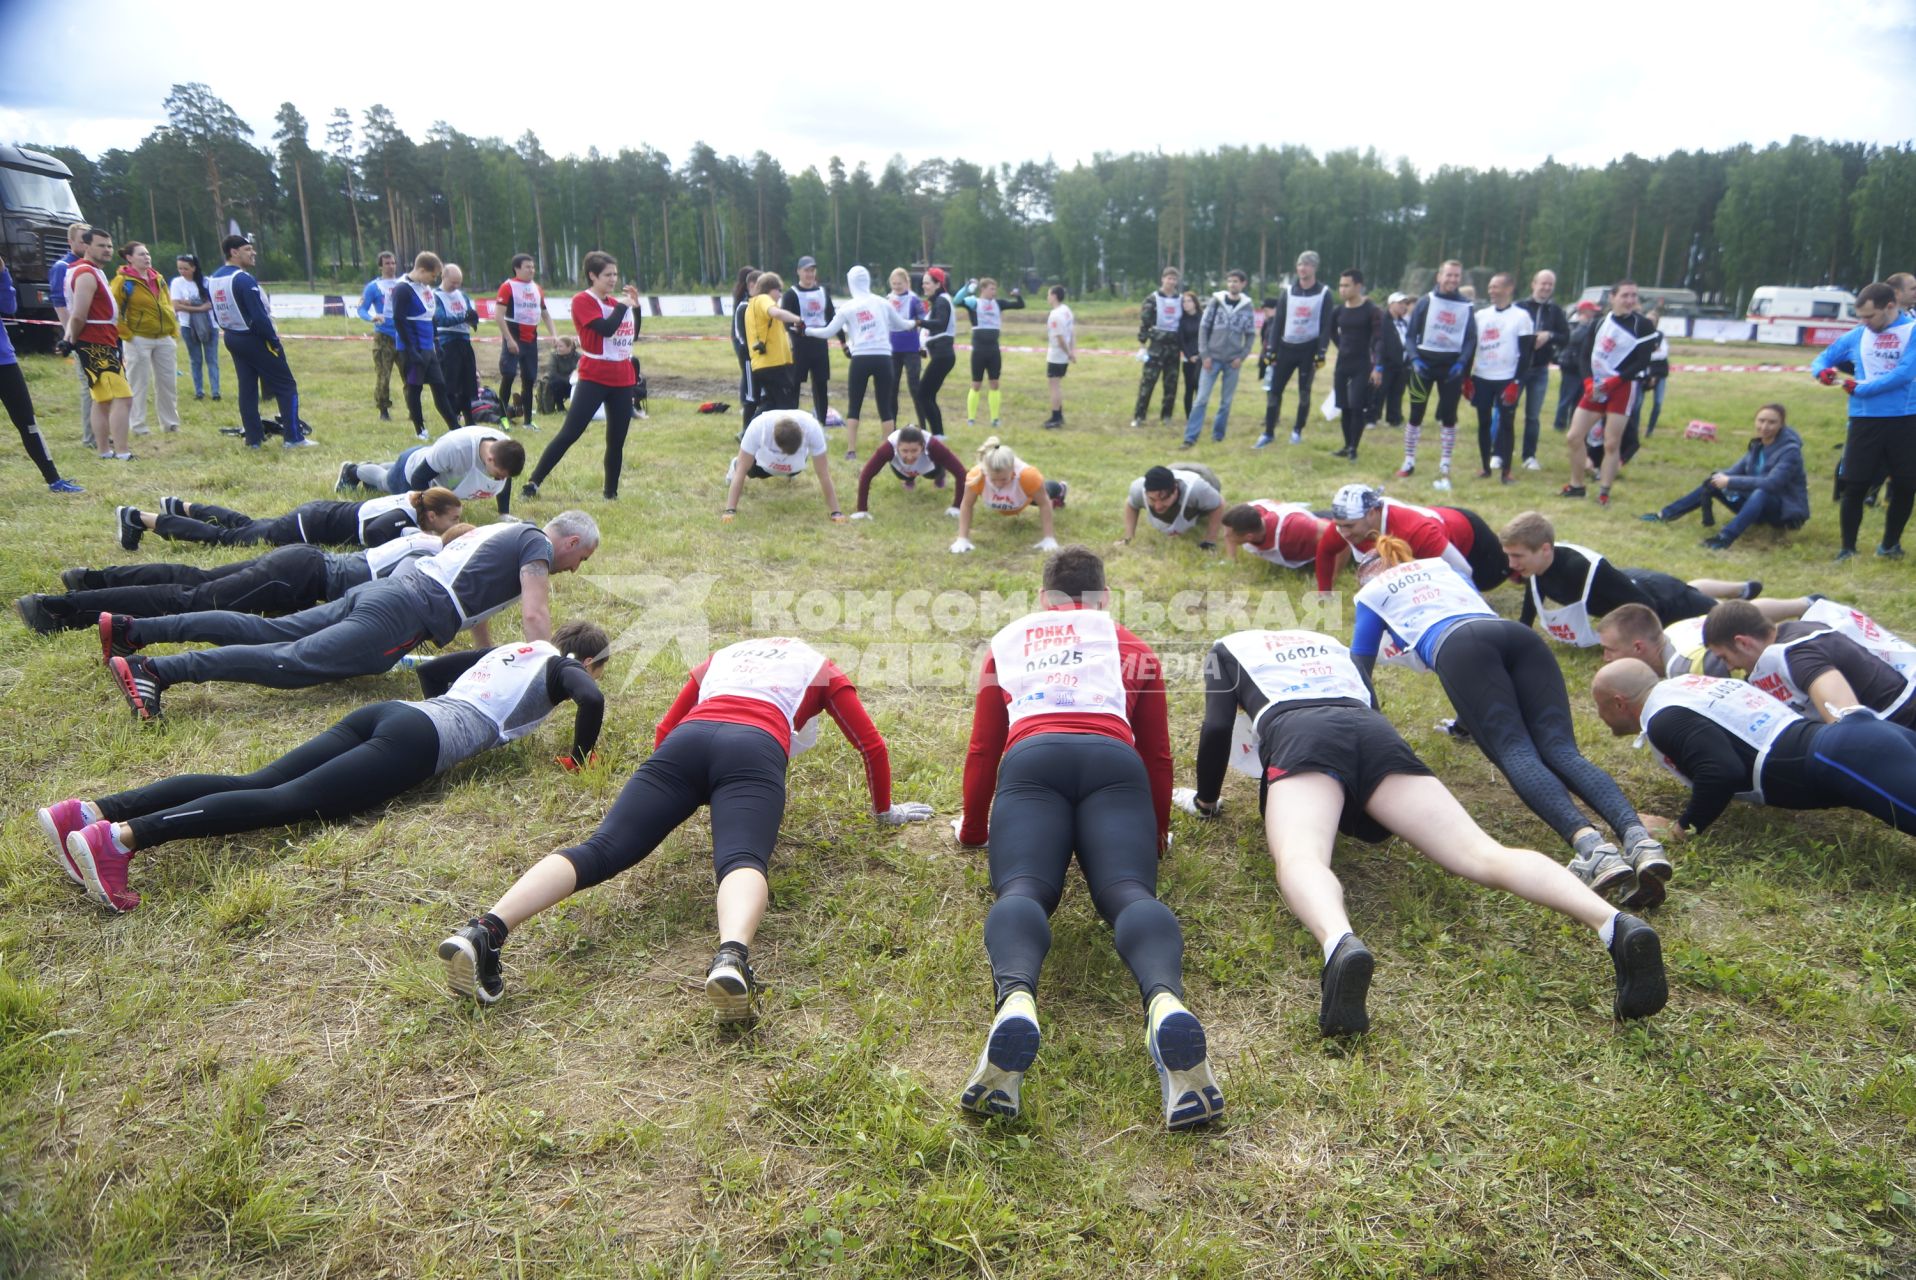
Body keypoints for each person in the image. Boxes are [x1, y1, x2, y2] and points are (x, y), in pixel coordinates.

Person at [1171, 628, 1667, 1033]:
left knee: (1302, 859)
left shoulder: (1224, 648)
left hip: (1301, 734)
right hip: (1374, 733)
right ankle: (1613, 925)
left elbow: (1217, 730)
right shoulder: (1329, 643)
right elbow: (1370, 707)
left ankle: (1339, 943)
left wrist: (1208, 801)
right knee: (1483, 852)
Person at [435, 635, 932, 1015]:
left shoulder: (723, 657)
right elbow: (872, 745)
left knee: (601, 847)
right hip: (753, 748)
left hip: (685, 745)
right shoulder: (819, 666)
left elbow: (665, 728)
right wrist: (883, 811)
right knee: (741, 859)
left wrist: (675, 794)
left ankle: (485, 930)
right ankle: (731, 958)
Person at [44, 621, 611, 913]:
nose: (593, 678)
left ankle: (89, 811)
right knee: (281, 804)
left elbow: (438, 672)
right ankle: (119, 840)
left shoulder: (516, 648)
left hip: (394, 713)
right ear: (587, 658)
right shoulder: (562, 670)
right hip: (417, 741)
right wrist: (580, 758)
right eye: (597, 668)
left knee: (258, 781)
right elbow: (590, 699)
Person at [953, 547, 1223, 1129]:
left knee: (1021, 891)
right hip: (1113, 763)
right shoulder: (1132, 646)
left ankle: (1018, 1000)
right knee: (1130, 895)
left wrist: (975, 828)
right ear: (1105, 599)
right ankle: (1164, 1001)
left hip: (1032, 760)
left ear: (1043, 598)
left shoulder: (1009, 640)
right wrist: (1157, 833)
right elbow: (1156, 754)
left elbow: (982, 750)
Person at [1349, 538, 1671, 905]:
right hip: (1516, 637)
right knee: (1562, 751)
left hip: (1460, 648)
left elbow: (1360, 670)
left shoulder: (1372, 592)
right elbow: (1481, 639)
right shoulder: (1442, 569)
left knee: (1515, 751)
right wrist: (1463, 722)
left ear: (1368, 572)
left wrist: (1367, 728)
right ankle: (1641, 843)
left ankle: (1594, 850)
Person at [104, 513, 600, 720]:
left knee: (269, 629)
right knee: (286, 660)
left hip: (387, 591)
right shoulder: (535, 544)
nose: (575, 570)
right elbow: (536, 614)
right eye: (581, 559)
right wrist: (547, 665)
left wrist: (482, 661)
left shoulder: (505, 531)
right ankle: (157, 671)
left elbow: (472, 604)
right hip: (399, 616)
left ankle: (135, 630)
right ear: (571, 541)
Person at [1591, 661, 1916, 838]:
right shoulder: (1685, 686)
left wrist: (1681, 829)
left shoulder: (1663, 718)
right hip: (1856, 737)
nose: (1601, 716)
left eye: (1600, 707)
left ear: (1619, 703)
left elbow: (1721, 772)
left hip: (1842, 758)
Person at [16, 525, 458, 635]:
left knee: (194, 579)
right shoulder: (429, 558)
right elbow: (382, 599)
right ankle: (58, 608)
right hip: (300, 579)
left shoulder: (423, 538)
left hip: (303, 560)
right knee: (193, 600)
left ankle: (90, 580)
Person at [1500, 511, 1764, 648]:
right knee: (1692, 589)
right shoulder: (1536, 569)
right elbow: (1532, 599)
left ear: (1545, 549)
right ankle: (1740, 588)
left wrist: (1641, 646)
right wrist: (1521, 631)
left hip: (1663, 599)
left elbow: (1645, 605)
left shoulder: (1579, 567)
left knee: (1727, 616)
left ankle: (1799, 604)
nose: (1512, 565)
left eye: (1517, 556)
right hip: (1636, 581)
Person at [521, 253, 640, 501]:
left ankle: (611, 493)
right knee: (570, 433)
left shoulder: (617, 304)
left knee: (616, 440)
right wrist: (623, 305)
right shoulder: (582, 301)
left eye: (615, 274)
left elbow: (632, 334)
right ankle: (533, 483)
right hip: (594, 375)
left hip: (622, 376)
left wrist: (635, 308)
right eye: (608, 275)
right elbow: (606, 330)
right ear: (592, 275)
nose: (613, 279)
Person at [1810, 281, 1916, 560]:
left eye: (1870, 316)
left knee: (1906, 483)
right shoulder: (1858, 334)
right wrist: (1821, 372)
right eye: (1861, 317)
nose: (1865, 323)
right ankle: (1847, 548)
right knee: (1854, 485)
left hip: (1905, 418)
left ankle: (1890, 544)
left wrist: (1860, 388)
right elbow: (1823, 358)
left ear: (1890, 306)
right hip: (1864, 419)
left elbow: (1904, 374)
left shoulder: (1912, 331)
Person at [1703, 599, 1916, 728]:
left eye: (1724, 658)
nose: (1729, 668)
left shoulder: (1797, 656)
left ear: (1743, 643)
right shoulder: (1798, 630)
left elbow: (1848, 719)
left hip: (1902, 720)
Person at [1640, 404, 1809, 548]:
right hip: (1755, 506)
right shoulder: (1758, 444)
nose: (1764, 426)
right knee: (1714, 482)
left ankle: (1724, 538)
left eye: (1772, 422)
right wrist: (1717, 477)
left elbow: (1772, 484)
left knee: (1761, 492)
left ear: (1782, 425)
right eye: (1761, 421)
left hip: (1784, 514)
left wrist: (1730, 481)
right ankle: (1664, 515)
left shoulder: (1790, 451)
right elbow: (1735, 470)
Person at [112, 486, 463, 552]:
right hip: (306, 527)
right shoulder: (404, 519)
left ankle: (180, 506)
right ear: (432, 514)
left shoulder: (416, 500)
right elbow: (373, 535)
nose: (456, 524)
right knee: (227, 539)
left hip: (313, 515)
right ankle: (140, 519)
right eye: (454, 518)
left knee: (247, 525)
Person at [1563, 280, 1659, 505]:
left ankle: (1604, 491)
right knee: (1574, 436)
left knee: (1611, 442)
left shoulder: (1642, 325)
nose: (1630, 300)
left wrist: (1614, 381)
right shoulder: (1599, 323)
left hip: (1622, 388)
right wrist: (1588, 382)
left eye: (1633, 296)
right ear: (1612, 298)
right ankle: (1576, 485)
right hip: (1596, 385)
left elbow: (1642, 361)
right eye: (1625, 295)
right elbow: (1585, 355)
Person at [804, 266, 914, 461]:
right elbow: (903, 325)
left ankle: (851, 450)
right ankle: (887, 451)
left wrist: (806, 330)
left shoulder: (848, 307)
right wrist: (916, 323)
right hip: (883, 357)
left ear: (851, 283)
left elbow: (828, 331)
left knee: (855, 405)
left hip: (860, 358)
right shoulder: (883, 303)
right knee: (885, 406)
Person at [1313, 484, 1506, 594]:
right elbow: (1326, 551)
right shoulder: (1344, 523)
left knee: (1510, 572)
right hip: (1438, 519)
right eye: (1338, 525)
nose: (1343, 533)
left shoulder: (1414, 531)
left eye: (1349, 526)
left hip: (1471, 538)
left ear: (1372, 513)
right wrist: (1325, 594)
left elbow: (1463, 572)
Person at [207, 235, 305, 448]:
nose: (253, 253)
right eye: (248, 249)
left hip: (231, 336)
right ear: (234, 252)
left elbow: (215, 312)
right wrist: (273, 340)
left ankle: (254, 439)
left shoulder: (213, 278)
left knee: (247, 389)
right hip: (254, 338)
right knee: (286, 385)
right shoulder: (243, 279)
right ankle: (293, 438)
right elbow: (259, 316)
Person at [0, 253, 80, 492]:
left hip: (4, 361)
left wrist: (3, 275)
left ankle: (54, 479)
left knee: (27, 421)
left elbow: (8, 306)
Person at [1398, 259, 1478, 489]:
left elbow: (1471, 338)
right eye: (1448, 275)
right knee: (1416, 412)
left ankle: (1445, 463)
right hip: (1424, 364)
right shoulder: (1426, 301)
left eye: (1456, 276)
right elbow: (1411, 335)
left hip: (1451, 367)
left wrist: (1462, 363)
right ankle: (1409, 460)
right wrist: (1414, 359)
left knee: (1449, 416)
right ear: (1439, 277)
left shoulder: (1466, 306)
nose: (1452, 280)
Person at [56, 227, 134, 460]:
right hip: (96, 342)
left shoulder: (90, 271)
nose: (107, 250)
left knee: (102, 398)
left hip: (101, 339)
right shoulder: (86, 273)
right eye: (101, 245)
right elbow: (78, 314)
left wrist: (70, 339)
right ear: (86, 246)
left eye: (109, 246)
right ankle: (121, 451)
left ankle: (105, 451)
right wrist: (70, 339)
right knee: (123, 397)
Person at [343, 425, 524, 517]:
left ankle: (380, 467)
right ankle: (351, 470)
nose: (500, 479)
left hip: (434, 462)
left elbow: (503, 481)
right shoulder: (455, 448)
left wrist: (504, 514)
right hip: (412, 471)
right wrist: (430, 512)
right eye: (499, 475)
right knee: (385, 482)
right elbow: (418, 479)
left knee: (389, 472)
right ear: (490, 459)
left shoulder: (504, 447)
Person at [1256, 251, 1335, 448]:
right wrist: (1271, 349)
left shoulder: (1324, 293)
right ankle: (1268, 432)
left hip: (1308, 350)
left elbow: (1327, 324)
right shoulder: (1289, 292)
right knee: (1275, 391)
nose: (1302, 268)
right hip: (1286, 347)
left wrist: (1322, 351)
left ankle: (1297, 430)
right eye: (1300, 264)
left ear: (1314, 268)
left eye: (1307, 265)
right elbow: (1278, 321)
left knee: (1304, 392)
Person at [721, 410, 846, 522]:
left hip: (794, 467)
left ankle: (790, 470)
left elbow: (823, 473)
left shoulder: (813, 428)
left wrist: (836, 512)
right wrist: (730, 510)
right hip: (761, 464)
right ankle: (734, 463)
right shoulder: (758, 427)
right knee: (750, 471)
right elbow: (742, 470)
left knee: (794, 470)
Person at [386, 252, 460, 442]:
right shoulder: (402, 289)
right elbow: (399, 320)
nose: (433, 280)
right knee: (414, 387)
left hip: (428, 346)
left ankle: (454, 427)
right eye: (432, 275)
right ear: (421, 270)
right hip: (413, 346)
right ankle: (419, 428)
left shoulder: (424, 288)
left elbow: (431, 316)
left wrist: (436, 342)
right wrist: (410, 349)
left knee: (439, 386)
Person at [1469, 273, 1535, 483]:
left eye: (1496, 287)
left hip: (1506, 376)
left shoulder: (1521, 316)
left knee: (1507, 423)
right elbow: (1471, 346)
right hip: (1482, 375)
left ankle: (1506, 470)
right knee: (1484, 421)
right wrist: (1466, 377)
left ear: (1509, 289)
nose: (1491, 291)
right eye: (1490, 287)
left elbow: (1526, 353)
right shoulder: (1481, 315)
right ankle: (1485, 466)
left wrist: (1517, 381)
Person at [1181, 269, 1258, 446]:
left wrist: (1243, 356)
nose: (1233, 284)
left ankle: (1218, 435)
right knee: (1201, 399)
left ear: (1243, 284)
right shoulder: (1216, 303)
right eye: (1230, 281)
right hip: (1212, 359)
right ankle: (1190, 437)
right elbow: (1203, 329)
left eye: (1236, 281)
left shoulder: (1247, 307)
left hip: (1232, 362)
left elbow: (1251, 334)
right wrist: (1205, 355)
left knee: (1226, 402)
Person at [950, 437, 1066, 554]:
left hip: (1025, 497)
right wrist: (962, 539)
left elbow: (1044, 503)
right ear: (986, 472)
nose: (999, 484)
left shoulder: (1028, 477)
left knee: (1044, 492)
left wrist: (1049, 538)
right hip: (1007, 502)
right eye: (993, 479)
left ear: (1013, 469)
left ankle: (1061, 489)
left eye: (1004, 479)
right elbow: (966, 504)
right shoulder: (976, 477)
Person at [111, 242, 179, 436]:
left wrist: (173, 329)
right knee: (138, 384)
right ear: (129, 258)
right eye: (141, 254)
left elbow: (167, 303)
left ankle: (170, 423)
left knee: (168, 383)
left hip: (164, 336)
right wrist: (127, 335)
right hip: (138, 338)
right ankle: (139, 426)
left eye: (147, 254)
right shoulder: (122, 281)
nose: (147, 257)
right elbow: (114, 310)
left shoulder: (158, 278)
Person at [952, 277, 1025, 427]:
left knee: (995, 383)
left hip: (993, 349)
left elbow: (1020, 305)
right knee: (976, 384)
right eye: (991, 289)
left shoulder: (998, 303)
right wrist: (967, 287)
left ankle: (995, 419)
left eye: (995, 289)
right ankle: (971, 419)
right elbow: (957, 301)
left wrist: (1017, 295)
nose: (994, 292)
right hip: (979, 349)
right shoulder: (974, 302)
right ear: (983, 289)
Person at [1514, 270, 1569, 469]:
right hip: (1517, 369)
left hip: (1539, 370)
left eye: (1550, 285)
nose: (1546, 288)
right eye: (1543, 283)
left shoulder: (1555, 311)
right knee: (1506, 410)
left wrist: (1550, 335)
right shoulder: (1519, 306)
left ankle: (1529, 456)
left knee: (1533, 416)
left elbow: (1565, 337)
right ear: (1533, 283)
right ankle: (1499, 453)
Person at [852, 425, 967, 518]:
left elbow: (961, 473)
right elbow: (866, 475)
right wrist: (862, 510)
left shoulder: (933, 445)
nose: (910, 456)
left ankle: (940, 476)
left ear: (922, 447)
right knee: (905, 474)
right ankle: (909, 479)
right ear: (897, 447)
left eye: (914, 450)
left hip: (930, 466)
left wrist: (957, 507)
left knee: (932, 474)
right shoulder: (888, 448)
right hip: (902, 469)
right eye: (905, 451)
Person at [496, 254, 557, 430]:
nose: (532, 270)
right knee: (508, 375)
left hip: (531, 338)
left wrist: (554, 334)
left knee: (529, 379)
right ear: (517, 268)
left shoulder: (537, 288)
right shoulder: (508, 287)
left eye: (533, 267)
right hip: (513, 335)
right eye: (527, 267)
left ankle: (528, 421)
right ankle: (503, 418)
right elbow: (498, 316)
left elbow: (545, 314)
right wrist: (509, 339)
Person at [1328, 269, 1384, 461]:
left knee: (1356, 406)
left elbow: (1378, 339)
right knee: (1343, 406)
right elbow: (1331, 331)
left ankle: (1354, 447)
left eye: (1346, 285)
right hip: (1343, 363)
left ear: (1358, 286)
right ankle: (1346, 444)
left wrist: (1377, 366)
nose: (1342, 289)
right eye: (1340, 285)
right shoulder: (1339, 310)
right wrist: (1341, 345)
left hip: (1362, 364)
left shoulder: (1371, 310)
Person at [49, 221, 93, 446]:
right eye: (82, 239)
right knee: (88, 385)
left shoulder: (92, 265)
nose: (86, 244)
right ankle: (91, 437)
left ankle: (101, 431)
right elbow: (60, 303)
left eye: (89, 239)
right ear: (71, 242)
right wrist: (70, 336)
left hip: (96, 335)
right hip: (78, 334)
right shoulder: (62, 267)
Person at [782, 256, 837, 422]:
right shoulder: (791, 294)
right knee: (795, 384)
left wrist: (842, 341)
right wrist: (794, 333)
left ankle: (821, 423)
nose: (810, 274)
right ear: (798, 271)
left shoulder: (822, 292)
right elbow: (785, 321)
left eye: (812, 270)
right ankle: (791, 423)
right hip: (800, 345)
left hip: (820, 345)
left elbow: (832, 316)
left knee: (821, 385)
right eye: (806, 270)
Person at [1117, 464, 1224, 549]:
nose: (1158, 506)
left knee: (1207, 501)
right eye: (1152, 499)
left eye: (1164, 499)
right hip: (1173, 468)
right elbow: (1131, 504)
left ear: (1176, 490)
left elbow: (1218, 504)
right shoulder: (1138, 489)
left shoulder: (1198, 489)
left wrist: (1210, 541)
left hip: (1202, 473)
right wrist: (1129, 538)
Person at [743, 271, 801, 420]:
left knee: (772, 402)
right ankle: (749, 431)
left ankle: (750, 431)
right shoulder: (763, 299)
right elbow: (776, 313)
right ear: (770, 288)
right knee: (785, 404)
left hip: (762, 364)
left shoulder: (751, 306)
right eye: (778, 290)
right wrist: (798, 319)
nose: (780, 295)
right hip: (773, 363)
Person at [1131, 267, 1184, 427]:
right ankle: (1139, 416)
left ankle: (1166, 416)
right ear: (1163, 279)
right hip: (1156, 347)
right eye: (1169, 278)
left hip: (1173, 348)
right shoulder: (1152, 299)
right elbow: (1145, 323)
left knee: (1171, 384)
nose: (1171, 282)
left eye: (1174, 279)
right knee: (1148, 382)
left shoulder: (1181, 299)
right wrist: (1142, 345)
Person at [433, 263, 481, 425]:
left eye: (458, 282)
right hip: (447, 343)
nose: (455, 286)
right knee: (451, 384)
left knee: (468, 383)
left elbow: (470, 314)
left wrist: (473, 320)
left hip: (464, 341)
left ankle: (469, 419)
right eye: (452, 282)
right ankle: (453, 419)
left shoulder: (462, 295)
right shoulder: (436, 296)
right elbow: (440, 319)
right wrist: (463, 318)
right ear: (443, 277)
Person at [1220, 500, 1326, 571]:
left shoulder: (1295, 528)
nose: (1225, 536)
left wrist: (1331, 577)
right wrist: (1231, 559)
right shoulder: (1247, 513)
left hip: (1319, 529)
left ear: (1249, 537)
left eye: (1229, 535)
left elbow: (1338, 533)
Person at [357, 251, 400, 421]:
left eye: (393, 263)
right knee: (383, 375)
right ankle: (383, 409)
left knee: (411, 375)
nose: (391, 266)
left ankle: (414, 409)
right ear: (381, 266)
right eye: (387, 263)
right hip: (384, 336)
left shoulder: (403, 284)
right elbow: (361, 308)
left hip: (403, 335)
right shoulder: (373, 287)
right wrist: (371, 317)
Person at [169, 253, 219, 402]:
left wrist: (188, 303)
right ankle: (199, 391)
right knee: (195, 359)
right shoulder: (177, 283)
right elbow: (176, 306)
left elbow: (211, 303)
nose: (182, 271)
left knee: (212, 359)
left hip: (210, 326)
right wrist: (200, 307)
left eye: (185, 268)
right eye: (180, 268)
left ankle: (216, 391)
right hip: (187, 326)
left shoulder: (207, 282)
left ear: (194, 268)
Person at [884, 267, 927, 429]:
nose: (896, 287)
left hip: (911, 349)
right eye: (894, 284)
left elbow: (923, 321)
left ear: (907, 282)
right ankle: (892, 427)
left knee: (915, 387)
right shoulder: (887, 299)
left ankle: (923, 425)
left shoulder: (914, 299)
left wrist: (922, 342)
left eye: (899, 284)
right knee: (892, 388)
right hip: (892, 350)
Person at [917, 268, 957, 437]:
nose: (923, 286)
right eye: (923, 282)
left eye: (927, 283)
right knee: (928, 395)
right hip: (942, 354)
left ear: (938, 284)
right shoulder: (941, 300)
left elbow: (940, 323)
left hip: (943, 354)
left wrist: (918, 322)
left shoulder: (941, 301)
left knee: (923, 394)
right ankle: (938, 434)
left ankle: (938, 435)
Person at [1371, 292, 1412, 429]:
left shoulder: (1404, 322)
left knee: (1397, 392)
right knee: (1379, 392)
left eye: (1404, 303)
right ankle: (1372, 418)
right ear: (1390, 305)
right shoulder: (1383, 321)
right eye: (1399, 303)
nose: (1403, 306)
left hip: (1401, 364)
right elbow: (1379, 342)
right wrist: (1378, 364)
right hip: (1386, 363)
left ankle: (1394, 419)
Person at [1556, 301, 1598, 431]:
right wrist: (1583, 325)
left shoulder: (1592, 325)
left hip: (1582, 367)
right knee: (1567, 397)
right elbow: (1573, 338)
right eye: (1592, 310)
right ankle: (1560, 424)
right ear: (1584, 311)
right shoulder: (1572, 323)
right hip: (1571, 366)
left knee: (1578, 398)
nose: (1594, 313)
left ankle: (1573, 423)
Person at [729, 266, 761, 433]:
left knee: (755, 388)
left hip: (757, 354)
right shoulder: (743, 303)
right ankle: (746, 430)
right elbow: (740, 332)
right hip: (747, 351)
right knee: (750, 390)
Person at [1041, 285, 1075, 429]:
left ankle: (1056, 417)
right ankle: (1058, 415)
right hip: (1064, 355)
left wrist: (1068, 353)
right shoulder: (1067, 310)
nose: (1047, 297)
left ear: (1054, 296)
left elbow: (1060, 338)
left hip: (1057, 354)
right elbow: (1072, 333)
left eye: (1049, 294)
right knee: (1057, 385)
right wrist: (1072, 351)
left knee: (1054, 386)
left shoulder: (1055, 315)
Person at [1178, 290, 1203, 421]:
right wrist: (1189, 356)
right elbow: (1181, 341)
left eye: (1189, 301)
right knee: (1189, 388)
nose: (1186, 304)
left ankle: (1198, 415)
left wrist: (1202, 355)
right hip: (1188, 359)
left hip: (1203, 359)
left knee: (1200, 388)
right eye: (1184, 302)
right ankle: (1189, 417)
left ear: (1195, 303)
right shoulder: (1181, 321)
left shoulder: (1203, 318)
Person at [538, 336, 581, 416]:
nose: (558, 348)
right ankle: (560, 406)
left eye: (561, 346)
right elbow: (552, 373)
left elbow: (582, 371)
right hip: (561, 384)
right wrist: (568, 379)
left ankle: (578, 408)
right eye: (557, 346)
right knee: (554, 382)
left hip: (575, 384)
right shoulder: (554, 356)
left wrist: (576, 374)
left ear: (569, 347)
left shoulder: (578, 357)